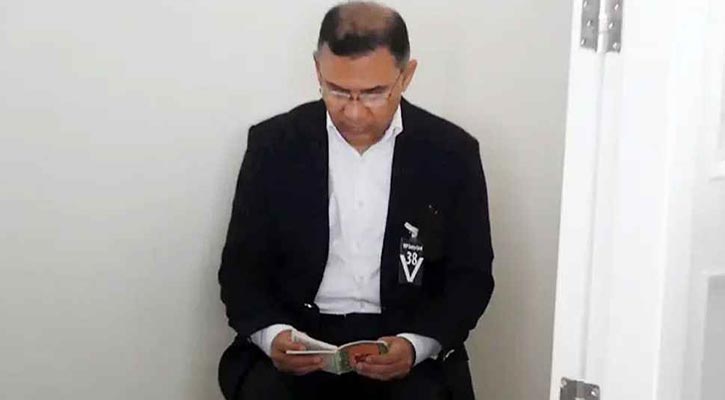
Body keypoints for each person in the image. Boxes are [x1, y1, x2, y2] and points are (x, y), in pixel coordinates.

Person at [218, 2, 494, 399]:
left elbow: (470, 277)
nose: (354, 112)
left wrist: (416, 345)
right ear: (317, 71)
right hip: (300, 335)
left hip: (404, 338)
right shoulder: (273, 146)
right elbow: (241, 270)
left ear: (406, 76)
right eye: (337, 91)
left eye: (374, 93)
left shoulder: (451, 153)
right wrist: (273, 336)